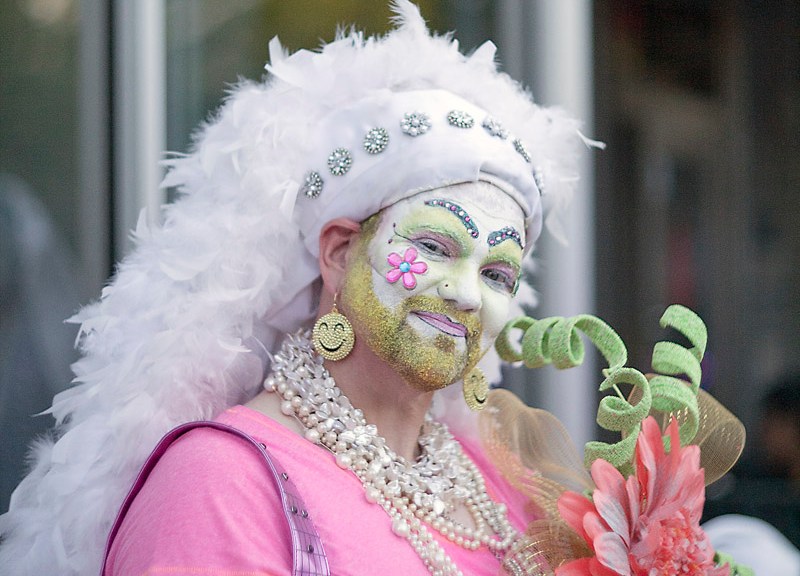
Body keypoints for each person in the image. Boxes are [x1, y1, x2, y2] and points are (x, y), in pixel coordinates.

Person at [0, 2, 747, 575]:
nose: (465, 295)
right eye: (432, 247)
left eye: (495, 273)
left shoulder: (499, 479)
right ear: (336, 253)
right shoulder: (218, 481)